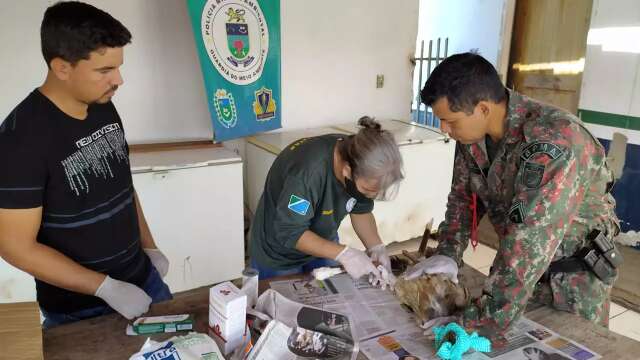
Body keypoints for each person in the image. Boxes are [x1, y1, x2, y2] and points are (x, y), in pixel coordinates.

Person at [406, 53, 620, 339]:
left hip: (572, 282)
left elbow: (529, 240)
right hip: (519, 277)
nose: (445, 129)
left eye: (450, 121)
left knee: (569, 347)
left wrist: (476, 322)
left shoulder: (553, 140)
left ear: (482, 109)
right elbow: (462, 201)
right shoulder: (472, 137)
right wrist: (447, 253)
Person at [0, 1, 171, 328]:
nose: (119, 80)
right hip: (79, 309)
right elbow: (15, 247)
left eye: (118, 67)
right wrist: (106, 288)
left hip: (142, 281)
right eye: (105, 70)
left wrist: (150, 247)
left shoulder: (101, 105)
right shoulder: (19, 140)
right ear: (62, 68)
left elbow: (122, 185)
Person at [250, 117, 404, 282]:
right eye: (367, 190)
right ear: (347, 170)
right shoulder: (307, 174)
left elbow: (361, 210)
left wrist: (376, 247)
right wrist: (344, 253)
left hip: (323, 239)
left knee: (331, 295)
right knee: (283, 302)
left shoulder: (359, 155)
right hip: (279, 253)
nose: (370, 196)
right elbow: (290, 232)